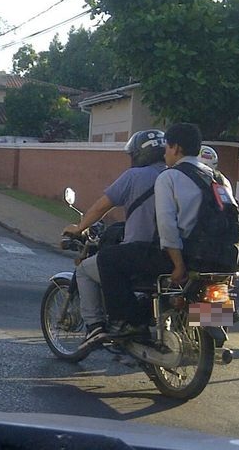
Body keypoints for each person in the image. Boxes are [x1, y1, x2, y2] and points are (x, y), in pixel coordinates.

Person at [97, 123, 222, 331]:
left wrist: (178, 264)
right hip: (216, 258)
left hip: (182, 256)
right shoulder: (218, 178)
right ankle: (210, 326)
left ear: (175, 148)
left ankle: (132, 324)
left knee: (107, 258)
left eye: (166, 148)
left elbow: (166, 226)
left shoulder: (170, 176)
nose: (164, 155)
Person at [63, 130, 166, 350]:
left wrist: (79, 227)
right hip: (175, 255)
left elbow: (102, 206)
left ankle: (96, 327)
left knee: (86, 269)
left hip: (141, 254)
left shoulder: (134, 176)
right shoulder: (177, 176)